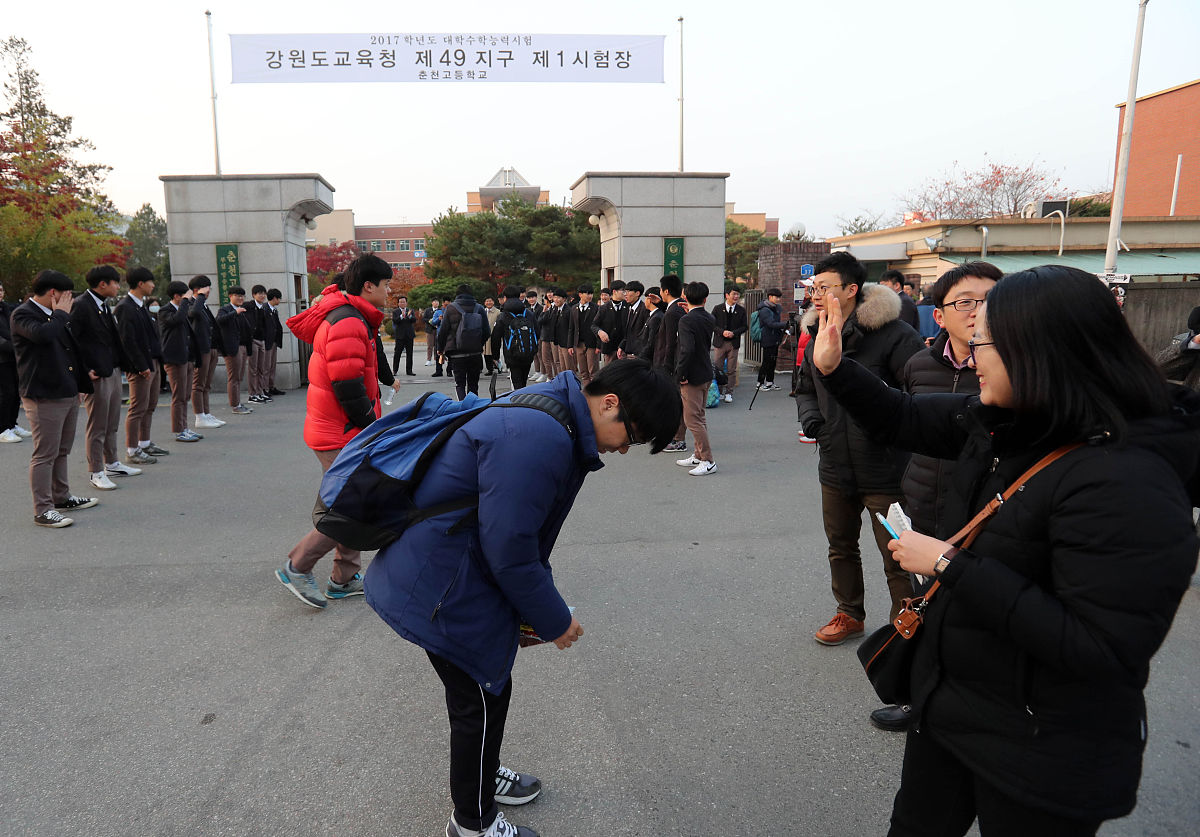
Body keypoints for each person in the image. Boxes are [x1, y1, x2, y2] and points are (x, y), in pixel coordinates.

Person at [811, 264, 1200, 837]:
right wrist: (835, 368)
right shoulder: (1010, 423)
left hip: (1042, 749)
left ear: (1039, 351)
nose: (969, 354)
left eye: (983, 339)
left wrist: (948, 564)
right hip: (953, 711)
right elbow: (903, 416)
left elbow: (1101, 648)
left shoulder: (1128, 481)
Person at [364, 358, 683, 837]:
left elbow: (523, 536)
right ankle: (472, 822)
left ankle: (482, 778)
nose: (625, 449)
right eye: (633, 435)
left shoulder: (553, 416)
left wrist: (530, 612)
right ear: (611, 403)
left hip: (451, 572)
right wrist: (554, 621)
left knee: (489, 690)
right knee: (480, 699)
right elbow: (510, 550)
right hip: (442, 584)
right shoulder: (539, 436)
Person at [868, 260, 1001, 734]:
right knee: (918, 599)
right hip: (923, 499)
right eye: (965, 302)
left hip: (983, 512)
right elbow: (903, 423)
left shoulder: (1011, 371)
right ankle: (914, 693)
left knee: (974, 607)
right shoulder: (919, 364)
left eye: (988, 299)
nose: (977, 312)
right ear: (939, 315)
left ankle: (969, 702)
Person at [795, 251, 925, 646]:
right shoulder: (816, 333)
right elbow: (804, 389)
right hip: (835, 463)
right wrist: (814, 422)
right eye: (813, 288)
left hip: (885, 468)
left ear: (852, 290)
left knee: (899, 555)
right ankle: (849, 613)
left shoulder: (894, 335)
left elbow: (918, 392)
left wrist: (891, 430)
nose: (816, 295)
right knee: (840, 546)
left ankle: (906, 625)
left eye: (825, 287)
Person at [276, 253, 400, 608]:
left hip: (339, 428)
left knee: (354, 501)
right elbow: (346, 384)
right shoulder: (348, 321)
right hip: (341, 431)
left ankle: (343, 577)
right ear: (368, 285)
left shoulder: (353, 315)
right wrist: (372, 429)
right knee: (349, 507)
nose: (390, 291)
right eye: (386, 284)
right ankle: (297, 566)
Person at [10, 270, 98, 527]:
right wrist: (60, 313)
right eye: (67, 295)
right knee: (45, 453)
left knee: (62, 450)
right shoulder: (23, 314)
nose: (69, 300)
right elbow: (43, 336)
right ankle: (43, 509)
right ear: (53, 293)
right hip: (43, 393)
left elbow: (69, 350)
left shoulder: (56, 316)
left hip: (66, 390)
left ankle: (61, 496)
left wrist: (80, 381)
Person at [70, 265, 141, 490]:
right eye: (115, 282)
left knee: (111, 422)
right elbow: (72, 340)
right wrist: (84, 369)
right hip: (96, 374)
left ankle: (112, 462)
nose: (118, 287)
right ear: (103, 284)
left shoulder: (103, 305)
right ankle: (96, 471)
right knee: (98, 425)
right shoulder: (81, 305)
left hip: (111, 369)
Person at [116, 266, 168, 464]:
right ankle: (132, 449)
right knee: (137, 407)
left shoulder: (141, 306)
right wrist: (140, 366)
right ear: (140, 283)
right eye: (151, 282)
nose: (153, 285)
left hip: (153, 361)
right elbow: (128, 341)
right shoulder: (125, 307)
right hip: (141, 366)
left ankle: (145, 443)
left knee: (150, 405)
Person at [673, 281, 718, 476]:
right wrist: (689, 309)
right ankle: (699, 455)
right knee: (699, 416)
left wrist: (680, 374)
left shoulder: (686, 321)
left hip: (691, 375)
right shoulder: (709, 317)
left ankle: (707, 460)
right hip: (705, 371)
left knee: (692, 419)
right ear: (705, 299)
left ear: (684, 297)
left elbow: (687, 349)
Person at [158, 281, 203, 444]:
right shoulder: (165, 311)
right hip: (174, 358)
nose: (189, 299)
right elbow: (176, 320)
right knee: (179, 396)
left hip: (186, 357)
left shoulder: (181, 309)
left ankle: (184, 426)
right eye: (185, 296)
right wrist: (185, 302)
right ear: (177, 296)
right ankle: (179, 430)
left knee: (185, 395)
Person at [439, 283, 492, 400]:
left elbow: (443, 331)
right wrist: (478, 343)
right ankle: (473, 409)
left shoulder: (451, 308)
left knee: (460, 384)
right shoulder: (479, 308)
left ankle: (463, 409)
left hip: (457, 353)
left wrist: (440, 349)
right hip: (475, 353)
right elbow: (487, 331)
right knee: (473, 385)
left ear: (457, 294)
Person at [187, 275, 226, 430]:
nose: (209, 291)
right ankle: (199, 416)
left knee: (206, 384)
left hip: (211, 348)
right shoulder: (192, 303)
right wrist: (200, 296)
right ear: (198, 289)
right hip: (200, 349)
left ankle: (206, 413)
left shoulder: (203, 305)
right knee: (198, 384)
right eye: (207, 287)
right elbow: (193, 313)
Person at [0, 283, 31, 444]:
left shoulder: (7, 309)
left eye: (0, 290)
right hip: (2, 359)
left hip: (14, 358)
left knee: (15, 394)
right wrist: (17, 347)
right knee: (6, 394)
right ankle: (3, 428)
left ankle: (12, 424)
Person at [216, 286, 254, 415]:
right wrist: (234, 313)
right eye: (237, 296)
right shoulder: (225, 310)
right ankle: (235, 405)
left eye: (242, 296)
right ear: (230, 296)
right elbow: (219, 321)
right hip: (232, 348)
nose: (240, 298)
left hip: (242, 347)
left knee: (239, 377)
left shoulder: (242, 310)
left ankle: (238, 402)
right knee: (234, 377)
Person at [490, 286, 536, 390]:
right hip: (527, 353)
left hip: (512, 354)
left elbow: (495, 337)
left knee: (516, 382)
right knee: (523, 381)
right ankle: (523, 399)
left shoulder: (503, 315)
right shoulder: (528, 313)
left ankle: (518, 402)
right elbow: (536, 332)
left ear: (505, 297)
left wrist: (495, 356)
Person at [711, 286, 748, 403]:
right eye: (734, 294)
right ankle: (719, 390)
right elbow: (712, 324)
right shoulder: (717, 309)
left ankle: (729, 392)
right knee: (718, 368)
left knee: (731, 369)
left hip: (733, 343)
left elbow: (744, 326)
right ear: (727, 295)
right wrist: (722, 332)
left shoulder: (741, 310)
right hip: (720, 343)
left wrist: (734, 333)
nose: (736, 296)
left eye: (738, 294)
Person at [755, 289, 789, 391]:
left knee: (773, 361)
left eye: (779, 297)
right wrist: (785, 324)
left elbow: (776, 323)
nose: (778, 299)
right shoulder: (764, 309)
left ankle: (770, 382)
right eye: (776, 297)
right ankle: (760, 383)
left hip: (775, 338)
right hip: (767, 338)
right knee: (766, 361)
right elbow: (771, 324)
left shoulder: (776, 307)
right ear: (770, 297)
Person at [567, 284, 600, 387]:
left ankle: (594, 391)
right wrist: (570, 345)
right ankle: (586, 391)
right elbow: (571, 328)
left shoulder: (596, 308)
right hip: (579, 344)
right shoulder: (574, 308)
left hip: (592, 343)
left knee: (593, 370)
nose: (590, 296)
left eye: (591, 293)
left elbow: (599, 327)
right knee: (583, 371)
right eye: (587, 293)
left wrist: (599, 345)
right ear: (580, 294)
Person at [617, 280, 650, 359]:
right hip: (629, 351)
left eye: (628, 292)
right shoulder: (628, 308)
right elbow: (628, 332)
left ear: (637, 293)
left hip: (638, 354)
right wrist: (622, 346)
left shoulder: (644, 309)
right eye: (625, 292)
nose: (626, 295)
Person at [264, 288, 286, 395]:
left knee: (272, 365)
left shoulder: (273, 310)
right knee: (266, 366)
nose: (280, 300)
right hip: (267, 342)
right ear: (274, 298)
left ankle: (271, 386)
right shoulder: (264, 309)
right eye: (279, 298)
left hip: (273, 342)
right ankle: (265, 388)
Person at [391, 295, 417, 376]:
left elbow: (414, 320)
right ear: (398, 303)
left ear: (406, 303)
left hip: (409, 335)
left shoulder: (410, 311)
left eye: (404, 302)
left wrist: (410, 316)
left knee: (409, 353)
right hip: (400, 335)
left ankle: (409, 371)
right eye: (401, 302)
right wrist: (402, 316)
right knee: (397, 353)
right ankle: (395, 370)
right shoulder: (395, 312)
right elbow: (395, 321)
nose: (402, 303)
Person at [423, 298, 444, 376]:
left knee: (437, 346)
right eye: (434, 301)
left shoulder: (441, 310)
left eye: (437, 302)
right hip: (430, 330)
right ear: (432, 303)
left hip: (438, 329)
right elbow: (424, 318)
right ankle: (429, 359)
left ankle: (436, 359)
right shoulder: (428, 310)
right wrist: (431, 320)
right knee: (430, 345)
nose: (436, 303)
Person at [482, 296, 502, 375]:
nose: (488, 303)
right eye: (487, 301)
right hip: (484, 336)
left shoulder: (498, 312)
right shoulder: (483, 311)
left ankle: (498, 367)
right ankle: (490, 369)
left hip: (494, 336)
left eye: (490, 301)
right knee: (486, 353)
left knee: (494, 352)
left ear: (493, 302)